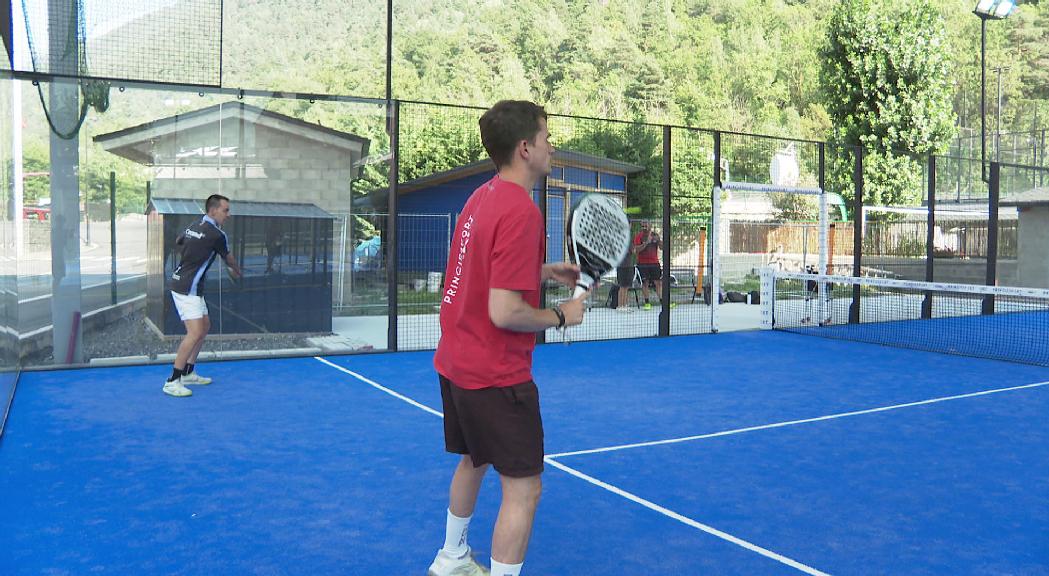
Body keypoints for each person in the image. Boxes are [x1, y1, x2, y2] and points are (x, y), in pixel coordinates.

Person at [428, 100, 589, 576]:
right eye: (546, 137)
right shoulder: (522, 210)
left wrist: (542, 270)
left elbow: (477, 270)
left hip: (456, 362)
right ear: (525, 148)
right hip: (495, 375)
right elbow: (504, 311)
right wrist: (562, 315)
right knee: (524, 489)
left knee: (473, 462)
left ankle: (451, 557)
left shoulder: (482, 197)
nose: (551, 146)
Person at [163, 194, 242, 397]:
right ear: (213, 210)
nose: (228, 214)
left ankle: (188, 372)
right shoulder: (217, 234)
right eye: (226, 210)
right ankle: (172, 380)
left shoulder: (194, 224)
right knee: (195, 332)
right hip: (186, 287)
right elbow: (229, 259)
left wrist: (194, 253)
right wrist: (238, 272)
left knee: (205, 326)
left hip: (188, 284)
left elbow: (179, 241)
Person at [632, 222, 662, 309]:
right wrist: (646, 243)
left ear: (650, 226)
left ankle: (662, 301)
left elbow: (662, 247)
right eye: (642, 226)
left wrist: (659, 240)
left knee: (658, 283)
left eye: (646, 226)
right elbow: (636, 250)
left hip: (654, 263)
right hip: (642, 263)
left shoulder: (655, 235)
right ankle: (647, 302)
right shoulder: (639, 236)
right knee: (645, 283)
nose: (644, 228)